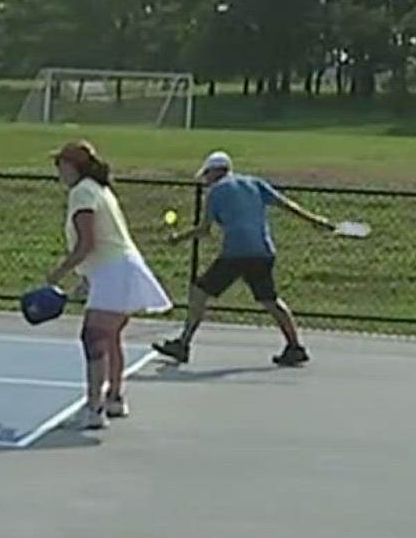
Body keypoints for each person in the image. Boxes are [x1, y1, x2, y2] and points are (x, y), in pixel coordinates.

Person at [153, 151, 331, 368]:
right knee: (270, 300)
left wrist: (178, 238)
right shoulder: (255, 183)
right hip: (263, 252)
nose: (206, 180)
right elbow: (287, 205)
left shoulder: (216, 192)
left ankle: (183, 344)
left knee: (200, 291)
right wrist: (316, 220)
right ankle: (295, 347)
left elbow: (204, 229)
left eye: (207, 174)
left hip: (235, 254)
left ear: (216, 172)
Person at [42, 140, 174, 430]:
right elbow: (107, 240)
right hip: (121, 269)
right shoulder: (100, 190)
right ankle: (114, 398)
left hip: (115, 271)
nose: (58, 172)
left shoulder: (82, 192)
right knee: (110, 336)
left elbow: (87, 243)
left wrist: (58, 273)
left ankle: (93, 409)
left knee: (93, 337)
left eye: (60, 165)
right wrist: (89, 280)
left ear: (72, 166)